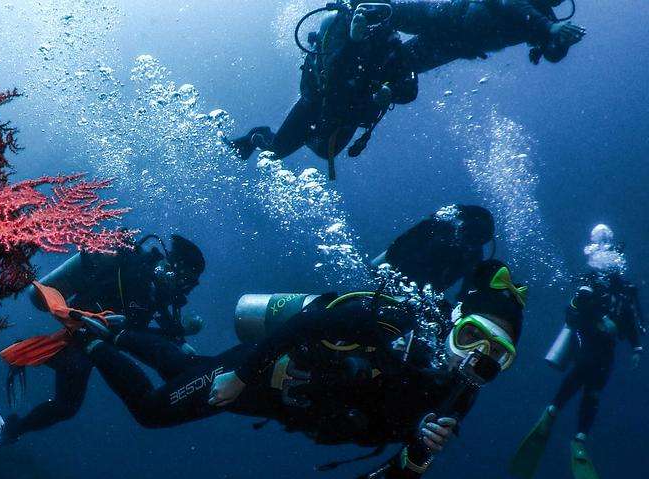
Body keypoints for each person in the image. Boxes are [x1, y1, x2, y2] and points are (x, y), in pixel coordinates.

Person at [81, 260, 526, 479]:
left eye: (494, 355)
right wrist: (240, 375)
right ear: (456, 319)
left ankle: (118, 330)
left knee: (187, 371)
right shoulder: (396, 321)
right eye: (470, 335)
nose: (474, 357)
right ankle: (91, 343)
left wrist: (419, 454)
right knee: (152, 413)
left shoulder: (458, 396)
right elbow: (306, 324)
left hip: (283, 404)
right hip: (260, 372)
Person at [0, 234, 207, 448]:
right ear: (174, 267)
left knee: (67, 405)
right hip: (84, 330)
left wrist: (178, 339)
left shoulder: (157, 290)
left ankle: (15, 416)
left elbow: (147, 329)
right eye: (187, 278)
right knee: (68, 399)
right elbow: (135, 328)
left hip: (97, 339)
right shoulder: (138, 274)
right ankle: (22, 364)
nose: (186, 287)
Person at [510, 225, 643, 479]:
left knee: (595, 387)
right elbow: (574, 311)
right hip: (588, 339)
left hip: (607, 348)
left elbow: (632, 320)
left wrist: (637, 346)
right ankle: (554, 412)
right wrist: (598, 318)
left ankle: (579, 435)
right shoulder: (591, 281)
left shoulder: (626, 290)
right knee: (585, 372)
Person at [227, 2, 418, 178]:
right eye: (364, 4)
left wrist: (390, 92)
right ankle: (255, 137)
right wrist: (353, 41)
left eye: (379, 6)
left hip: (351, 113)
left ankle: (307, 135)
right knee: (274, 152)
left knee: (325, 152)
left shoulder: (389, 40)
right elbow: (333, 81)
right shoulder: (336, 26)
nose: (371, 12)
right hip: (316, 103)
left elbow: (410, 89)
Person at [389, 0, 586, 73]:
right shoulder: (545, 23)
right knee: (383, 11)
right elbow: (509, 4)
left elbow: (552, 55)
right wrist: (550, 28)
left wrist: (563, 42)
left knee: (394, 68)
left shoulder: (546, 22)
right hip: (445, 16)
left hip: (453, 46)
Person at [373, 204, 496, 296]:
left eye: (480, 239)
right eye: (470, 233)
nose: (472, 241)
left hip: (423, 299)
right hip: (391, 280)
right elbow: (395, 251)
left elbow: (466, 294)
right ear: (462, 225)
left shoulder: (474, 257)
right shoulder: (435, 228)